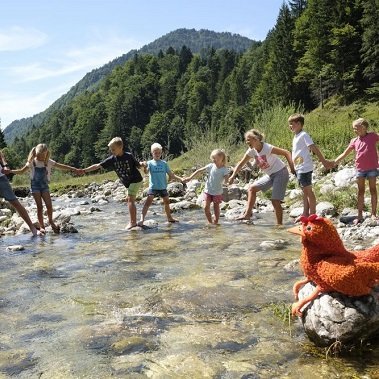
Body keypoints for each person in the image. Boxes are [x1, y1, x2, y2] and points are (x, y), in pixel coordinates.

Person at [228, 129, 295, 226]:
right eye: (246, 140)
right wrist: (233, 175)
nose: (247, 142)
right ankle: (247, 214)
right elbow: (241, 164)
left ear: (256, 139)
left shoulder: (267, 148)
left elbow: (287, 153)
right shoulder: (251, 151)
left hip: (281, 172)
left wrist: (292, 168)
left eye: (249, 139)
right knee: (252, 189)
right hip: (270, 175)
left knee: (275, 200)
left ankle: (279, 225)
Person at [9, 144, 80, 234]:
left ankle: (50, 221)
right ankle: (42, 226)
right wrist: (10, 171)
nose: (42, 158)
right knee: (40, 206)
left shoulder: (48, 161)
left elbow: (61, 166)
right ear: (36, 154)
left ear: (47, 154)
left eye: (44, 156)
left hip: (45, 186)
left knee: (49, 205)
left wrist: (74, 169)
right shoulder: (32, 162)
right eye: (40, 156)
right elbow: (21, 171)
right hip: (35, 187)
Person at [82, 137, 144, 230]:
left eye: (113, 149)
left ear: (121, 147)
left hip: (136, 179)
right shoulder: (112, 159)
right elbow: (98, 165)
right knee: (130, 199)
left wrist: (143, 164)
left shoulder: (129, 156)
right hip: (128, 182)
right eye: (111, 150)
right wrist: (85, 170)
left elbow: (138, 165)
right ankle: (134, 220)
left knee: (130, 199)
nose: (112, 151)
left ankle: (133, 222)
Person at [288, 113, 334, 222]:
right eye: (289, 124)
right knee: (305, 191)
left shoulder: (304, 135)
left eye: (292, 124)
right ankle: (305, 213)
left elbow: (313, 148)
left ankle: (312, 214)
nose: (290, 126)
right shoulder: (296, 136)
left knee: (308, 191)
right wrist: (293, 167)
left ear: (299, 124)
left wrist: (323, 161)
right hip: (299, 168)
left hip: (305, 168)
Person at [333, 118, 379, 224]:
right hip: (360, 169)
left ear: (363, 127)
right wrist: (334, 162)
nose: (354, 130)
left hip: (372, 168)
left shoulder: (373, 136)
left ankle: (373, 214)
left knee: (373, 190)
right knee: (360, 192)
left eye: (355, 128)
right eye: (353, 128)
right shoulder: (354, 141)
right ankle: (359, 215)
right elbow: (345, 153)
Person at [138, 143, 183, 226]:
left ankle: (169, 217)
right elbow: (146, 172)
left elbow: (171, 174)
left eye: (159, 153)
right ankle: (141, 219)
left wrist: (181, 179)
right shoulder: (150, 163)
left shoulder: (164, 163)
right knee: (148, 202)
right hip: (153, 187)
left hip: (163, 187)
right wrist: (144, 167)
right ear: (152, 153)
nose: (157, 154)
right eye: (155, 153)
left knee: (167, 202)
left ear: (161, 153)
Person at [183, 149, 229, 225]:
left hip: (217, 192)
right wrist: (190, 177)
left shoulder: (224, 169)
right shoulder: (211, 166)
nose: (214, 160)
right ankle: (210, 222)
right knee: (206, 207)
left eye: (216, 159)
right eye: (213, 158)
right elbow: (199, 171)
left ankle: (216, 222)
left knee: (216, 207)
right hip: (208, 190)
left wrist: (227, 182)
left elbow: (226, 177)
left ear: (222, 159)